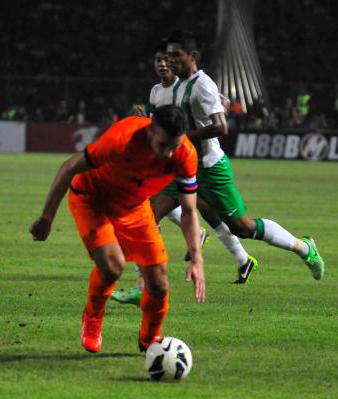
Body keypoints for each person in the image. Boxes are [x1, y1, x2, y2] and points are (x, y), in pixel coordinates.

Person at [30, 105, 205, 353]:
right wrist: (46, 219)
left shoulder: (185, 154)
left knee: (159, 285)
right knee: (113, 266)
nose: (168, 154)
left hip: (134, 207)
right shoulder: (122, 139)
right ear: (151, 131)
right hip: (93, 199)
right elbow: (69, 167)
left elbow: (188, 210)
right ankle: (92, 318)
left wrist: (196, 258)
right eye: (163, 145)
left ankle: (150, 340)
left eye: (174, 146)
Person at [155, 29, 324, 281]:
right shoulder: (177, 86)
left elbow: (222, 127)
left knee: (243, 227)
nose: (170, 60)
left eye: (176, 55)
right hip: (184, 166)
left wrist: (184, 137)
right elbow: (204, 108)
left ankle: (304, 248)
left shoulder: (202, 84)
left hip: (210, 169)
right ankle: (146, 282)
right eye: (168, 55)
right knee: (149, 214)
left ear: (193, 56)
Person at [112, 40, 257, 306]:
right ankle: (142, 285)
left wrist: (213, 113)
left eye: (168, 59)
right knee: (151, 213)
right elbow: (162, 124)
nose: (163, 64)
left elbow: (219, 106)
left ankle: (254, 256)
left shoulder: (192, 85)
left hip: (201, 162)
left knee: (224, 219)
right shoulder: (157, 92)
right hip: (173, 160)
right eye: (159, 60)